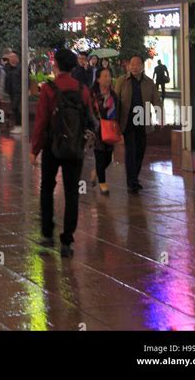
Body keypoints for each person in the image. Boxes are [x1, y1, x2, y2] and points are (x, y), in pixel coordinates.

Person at [30, 48, 96, 258]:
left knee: (47, 188)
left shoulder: (49, 89)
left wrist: (35, 149)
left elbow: (41, 122)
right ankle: (67, 241)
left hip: (52, 146)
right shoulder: (82, 89)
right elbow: (90, 119)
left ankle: (47, 234)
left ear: (56, 65)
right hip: (75, 147)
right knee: (71, 192)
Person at [115, 54, 162, 194]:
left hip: (143, 120)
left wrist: (160, 115)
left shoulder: (149, 82)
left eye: (137, 64)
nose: (134, 67)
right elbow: (116, 101)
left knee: (140, 150)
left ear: (142, 66)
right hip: (127, 120)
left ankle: (134, 177)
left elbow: (156, 100)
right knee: (130, 150)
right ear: (129, 66)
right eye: (132, 64)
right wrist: (115, 121)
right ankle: (132, 182)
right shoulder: (122, 81)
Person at [90, 68, 118, 196]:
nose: (108, 78)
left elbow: (118, 111)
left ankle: (96, 171)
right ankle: (102, 183)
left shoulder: (113, 95)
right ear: (98, 79)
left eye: (109, 75)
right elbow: (89, 112)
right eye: (105, 76)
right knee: (100, 156)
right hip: (96, 130)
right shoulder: (93, 95)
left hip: (110, 129)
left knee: (108, 158)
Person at [4, 51, 22, 134]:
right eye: (10, 57)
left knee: (15, 107)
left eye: (13, 57)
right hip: (10, 91)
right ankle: (17, 125)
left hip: (18, 90)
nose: (12, 58)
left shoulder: (20, 67)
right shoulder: (7, 67)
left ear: (17, 58)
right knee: (14, 108)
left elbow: (26, 79)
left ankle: (19, 125)